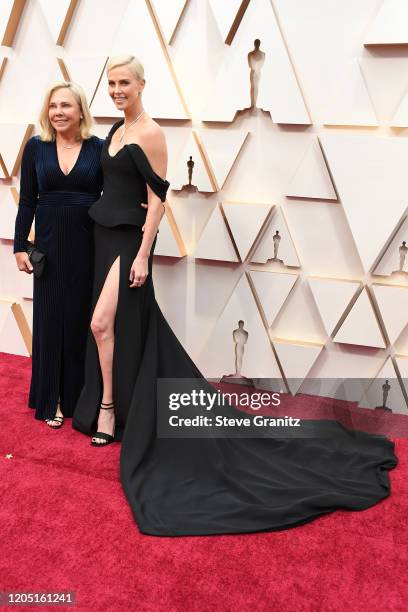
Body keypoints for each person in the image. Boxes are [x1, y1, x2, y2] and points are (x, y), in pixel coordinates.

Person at [73, 55, 397, 537]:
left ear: (142, 84)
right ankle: (112, 406)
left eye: (125, 82)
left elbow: (159, 199)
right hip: (103, 236)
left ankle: (107, 409)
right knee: (112, 328)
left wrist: (143, 254)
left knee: (102, 324)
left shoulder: (151, 133)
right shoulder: (115, 131)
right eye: (112, 82)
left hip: (128, 242)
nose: (117, 89)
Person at [14, 82, 103, 428]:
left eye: (66, 105)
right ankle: (50, 398)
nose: (58, 112)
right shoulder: (37, 148)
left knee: (80, 320)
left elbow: (113, 195)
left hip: (88, 245)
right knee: (50, 321)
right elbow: (27, 201)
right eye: (53, 106)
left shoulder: (99, 148)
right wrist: (20, 245)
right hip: (47, 247)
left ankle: (78, 398)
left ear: (81, 110)